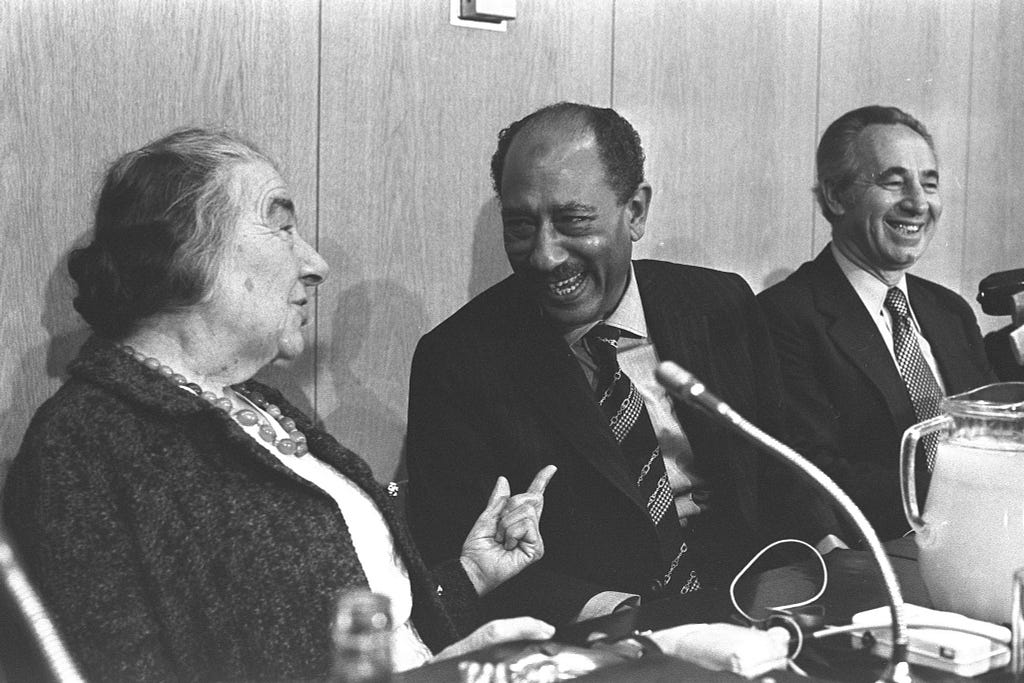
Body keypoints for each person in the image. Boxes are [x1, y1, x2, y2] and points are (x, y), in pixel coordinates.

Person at [2, 128, 557, 682]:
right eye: (282, 225)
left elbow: (368, 631)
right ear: (185, 251)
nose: (315, 265)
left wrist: (469, 575)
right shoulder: (83, 447)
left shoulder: (260, 406)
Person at [405, 102, 798, 627]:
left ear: (634, 212)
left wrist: (819, 556)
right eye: (521, 226)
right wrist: (615, 617)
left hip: (757, 600)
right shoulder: (457, 359)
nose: (545, 256)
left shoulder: (717, 302)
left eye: (573, 221)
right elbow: (456, 558)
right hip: (607, 632)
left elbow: (784, 466)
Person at [757, 105, 995, 542]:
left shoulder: (950, 311)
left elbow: (994, 435)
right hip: (880, 554)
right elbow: (812, 470)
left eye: (929, 183)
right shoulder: (783, 316)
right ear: (835, 196)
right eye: (893, 181)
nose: (918, 203)